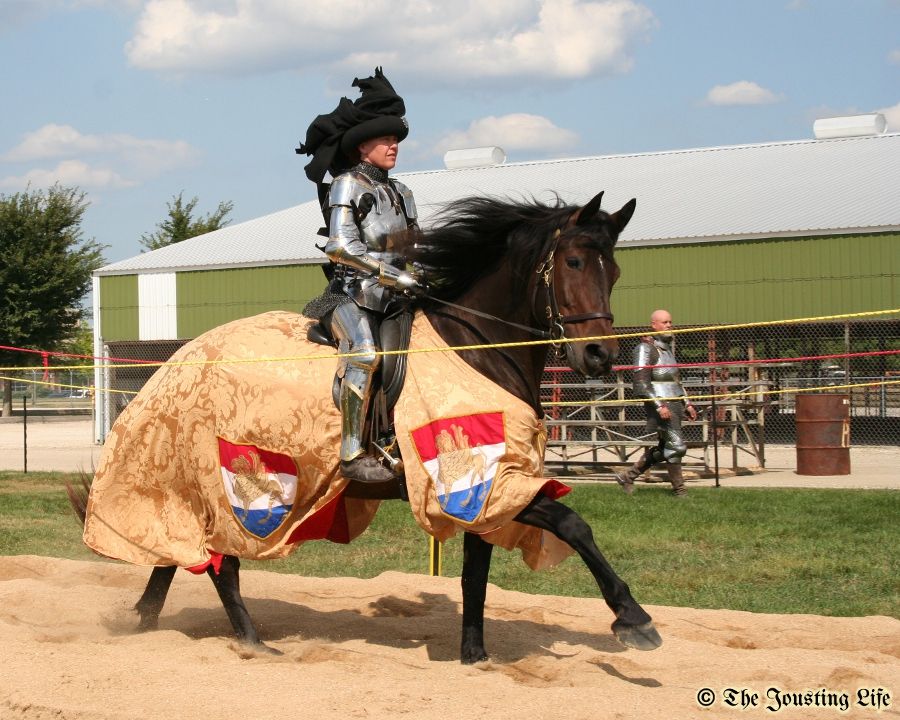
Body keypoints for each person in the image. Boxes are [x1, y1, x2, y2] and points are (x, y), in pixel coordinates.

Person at [296, 68, 421, 484]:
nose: (394, 147)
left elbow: (413, 246)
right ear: (363, 146)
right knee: (365, 353)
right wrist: (390, 274)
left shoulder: (403, 192)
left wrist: (421, 274)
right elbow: (340, 247)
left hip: (398, 298)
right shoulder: (347, 184)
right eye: (386, 140)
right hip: (353, 296)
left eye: (396, 140)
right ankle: (351, 450)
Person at [616, 309, 698, 497]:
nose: (669, 325)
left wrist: (688, 403)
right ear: (654, 324)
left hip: (674, 402)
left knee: (665, 448)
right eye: (664, 322)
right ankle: (680, 490)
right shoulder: (645, 349)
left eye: (670, 322)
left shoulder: (667, 349)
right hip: (661, 405)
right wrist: (659, 405)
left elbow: (676, 381)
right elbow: (641, 384)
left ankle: (628, 476)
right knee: (676, 446)